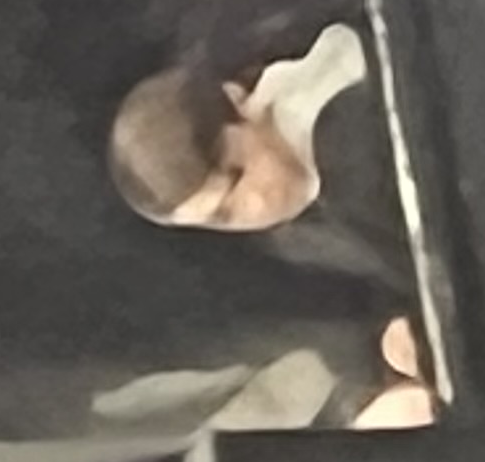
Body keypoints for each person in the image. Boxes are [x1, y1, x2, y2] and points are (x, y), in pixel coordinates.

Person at [107, 25, 404, 290]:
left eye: (239, 176)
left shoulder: (351, 97)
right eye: (223, 218)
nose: (256, 203)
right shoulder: (299, 242)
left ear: (236, 98)